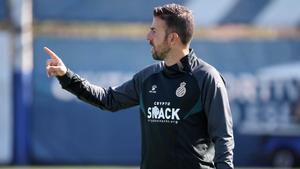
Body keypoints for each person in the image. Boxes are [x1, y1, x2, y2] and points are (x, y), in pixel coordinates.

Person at [45, 3, 234, 169]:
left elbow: (223, 138)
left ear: (172, 38)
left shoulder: (206, 78)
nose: (147, 36)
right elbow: (108, 100)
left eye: (154, 31)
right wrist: (66, 75)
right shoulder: (148, 78)